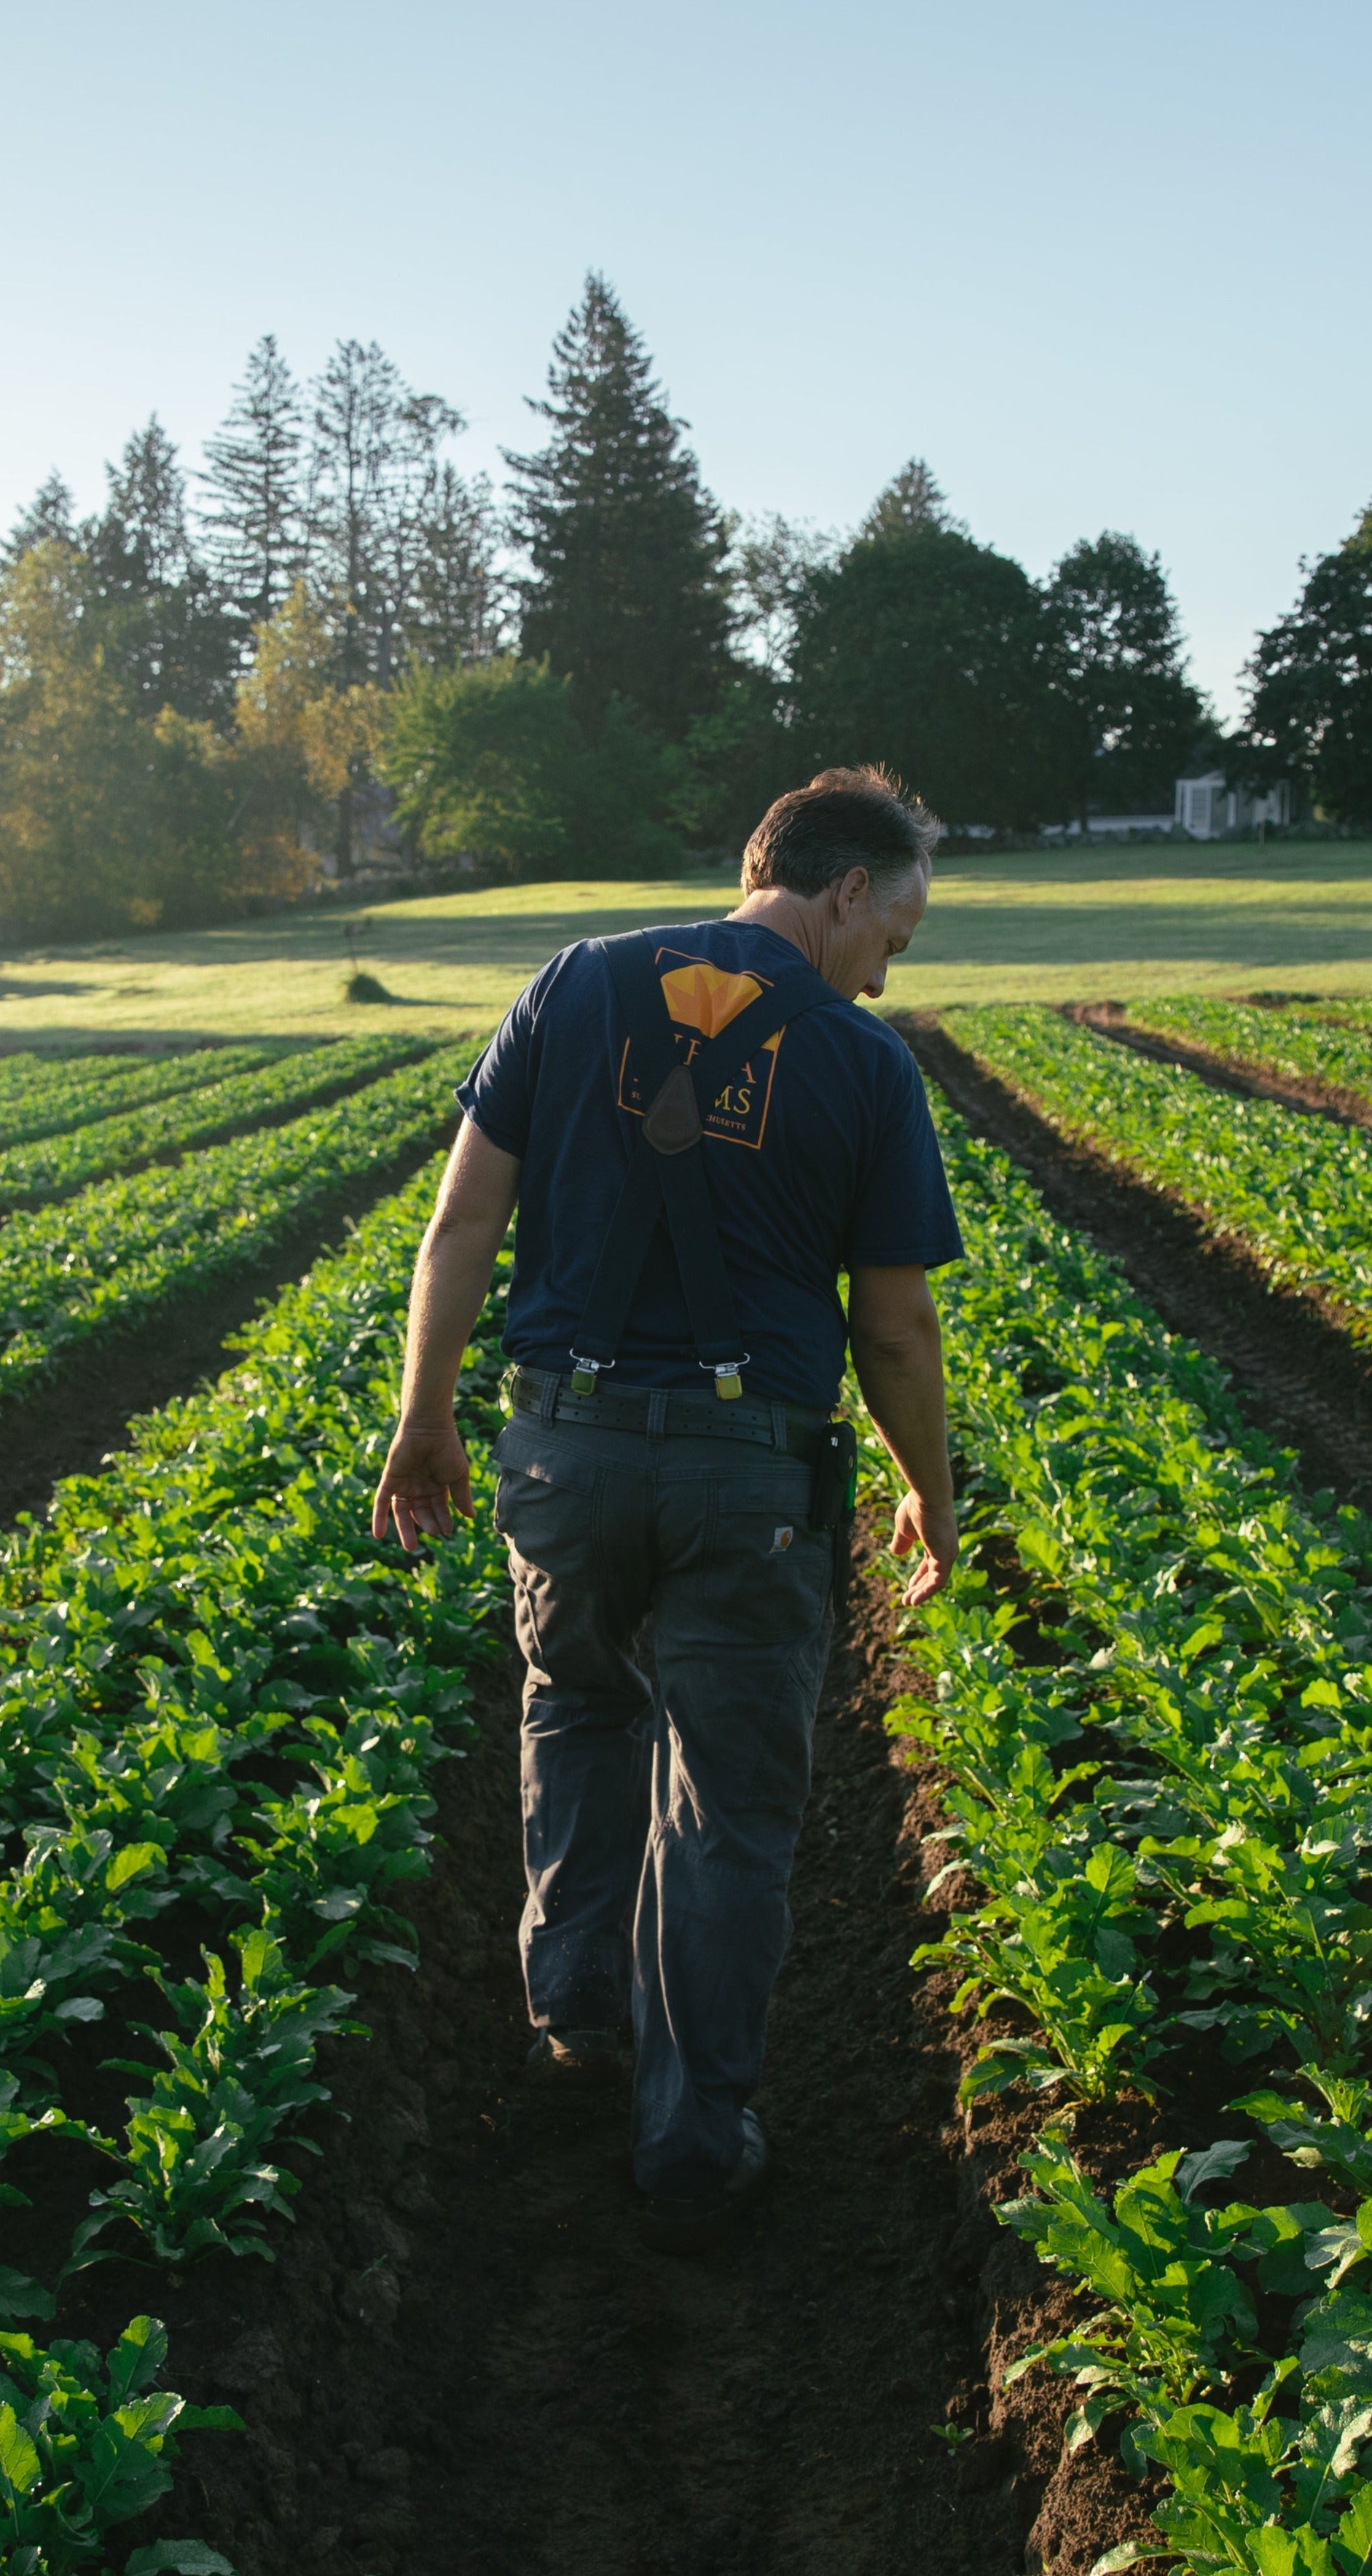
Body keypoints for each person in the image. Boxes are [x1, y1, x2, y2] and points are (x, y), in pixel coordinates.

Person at [370, 765, 964, 2254]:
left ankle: (576, 2021)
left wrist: (424, 1419)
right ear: (839, 893)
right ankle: (696, 2136)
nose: (893, 962)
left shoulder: (570, 988)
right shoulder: (864, 1062)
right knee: (730, 1807)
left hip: (562, 1456)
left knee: (576, 1711)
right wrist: (927, 1493)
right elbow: (894, 1329)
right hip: (746, 1476)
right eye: (896, 928)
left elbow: (461, 1226)